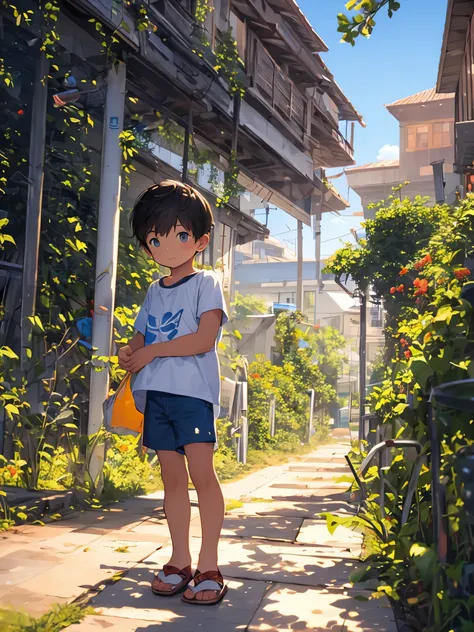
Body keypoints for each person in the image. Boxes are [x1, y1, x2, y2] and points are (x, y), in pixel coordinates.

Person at [118, 180, 228, 606]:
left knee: (202, 476)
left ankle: (209, 565)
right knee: (171, 480)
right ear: (147, 243)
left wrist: (151, 353)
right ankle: (180, 560)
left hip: (192, 395)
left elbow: (204, 339)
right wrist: (131, 351)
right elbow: (141, 336)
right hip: (158, 396)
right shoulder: (152, 290)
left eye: (180, 235)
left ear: (199, 241)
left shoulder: (207, 283)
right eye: (155, 237)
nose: (166, 245)